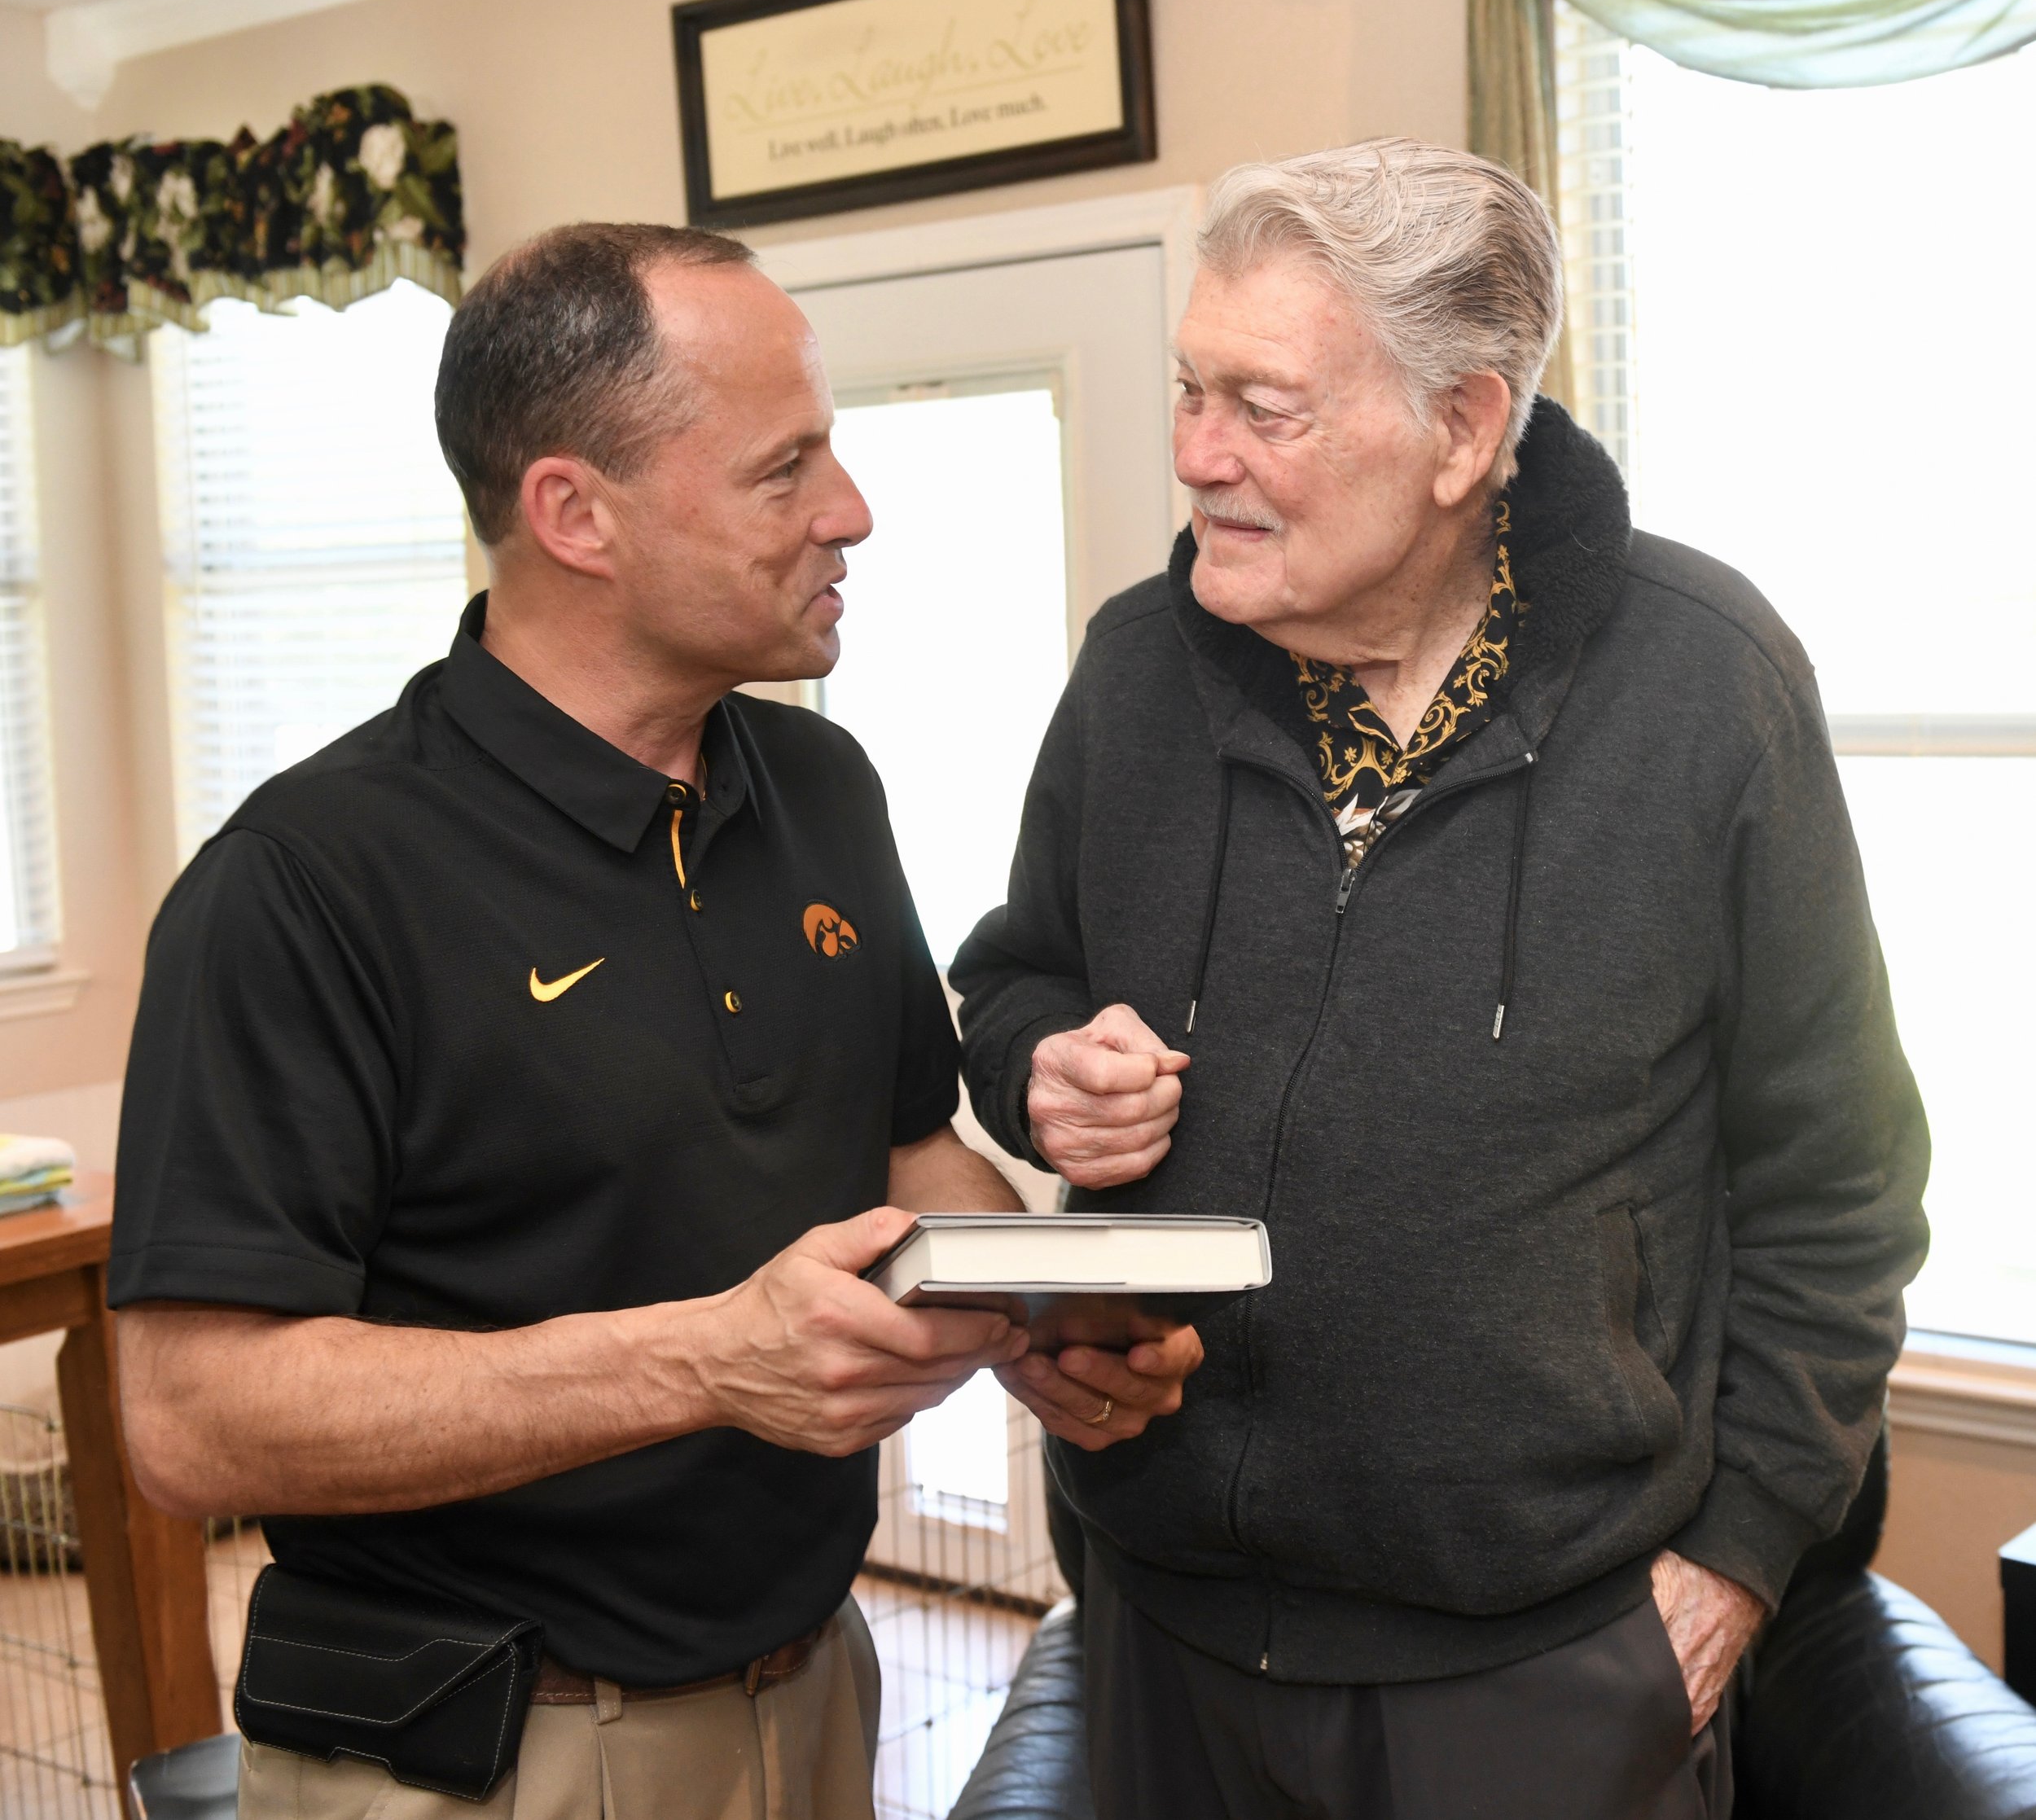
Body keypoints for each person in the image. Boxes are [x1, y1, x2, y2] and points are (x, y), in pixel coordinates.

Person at [108, 222, 1201, 1820]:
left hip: (817, 1692)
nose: (851, 510)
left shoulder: (821, 787)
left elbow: (907, 1141)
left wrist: (1041, 1318)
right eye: (785, 468)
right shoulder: (303, 880)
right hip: (474, 1754)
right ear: (574, 514)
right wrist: (703, 1359)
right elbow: (188, 1417)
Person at [953, 141, 1929, 1820]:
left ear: (1463, 429)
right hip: (1169, 1629)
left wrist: (1739, 1555)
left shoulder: (1706, 686)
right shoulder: (1131, 670)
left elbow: (1837, 1190)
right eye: (1189, 390)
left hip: (1544, 1665)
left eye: (1263, 406)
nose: (1196, 455)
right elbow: (1010, 974)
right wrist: (1040, 1059)